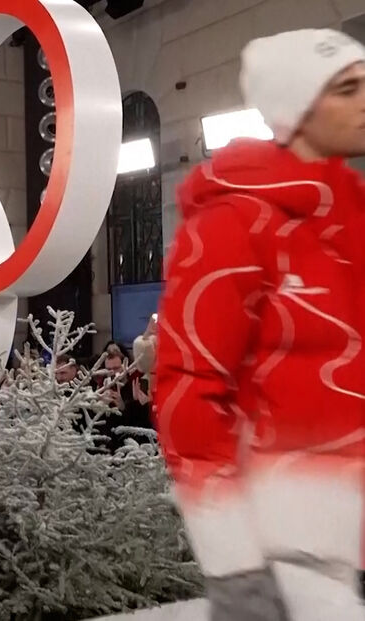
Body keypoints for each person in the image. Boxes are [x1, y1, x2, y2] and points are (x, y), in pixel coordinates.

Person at [155, 30, 365, 619]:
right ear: (298, 107)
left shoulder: (350, 218)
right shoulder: (233, 223)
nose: (364, 100)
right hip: (284, 550)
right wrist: (235, 563)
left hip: (346, 539)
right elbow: (188, 391)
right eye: (346, 89)